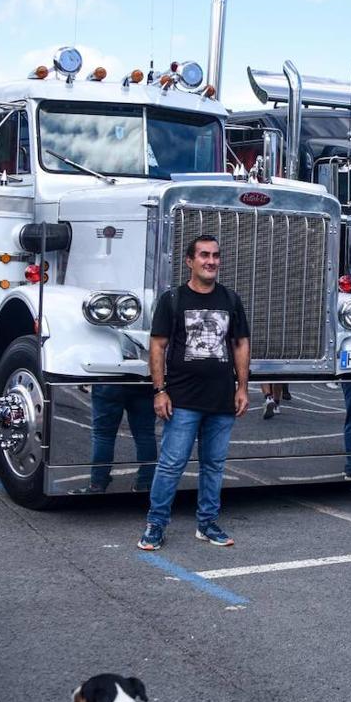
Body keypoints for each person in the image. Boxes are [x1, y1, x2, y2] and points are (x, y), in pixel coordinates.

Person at [138, 234, 250, 550]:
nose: (211, 261)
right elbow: (157, 346)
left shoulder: (230, 299)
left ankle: (207, 523)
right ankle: (155, 525)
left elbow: (240, 344)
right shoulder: (173, 300)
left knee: (214, 465)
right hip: (183, 399)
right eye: (203, 255)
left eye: (215, 255)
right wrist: (159, 391)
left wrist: (242, 387)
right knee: (171, 464)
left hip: (222, 399)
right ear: (190, 261)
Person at [89, 384, 157, 493]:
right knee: (145, 434)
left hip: (108, 380)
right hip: (142, 381)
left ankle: (98, 482)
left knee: (103, 435)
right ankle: (145, 482)